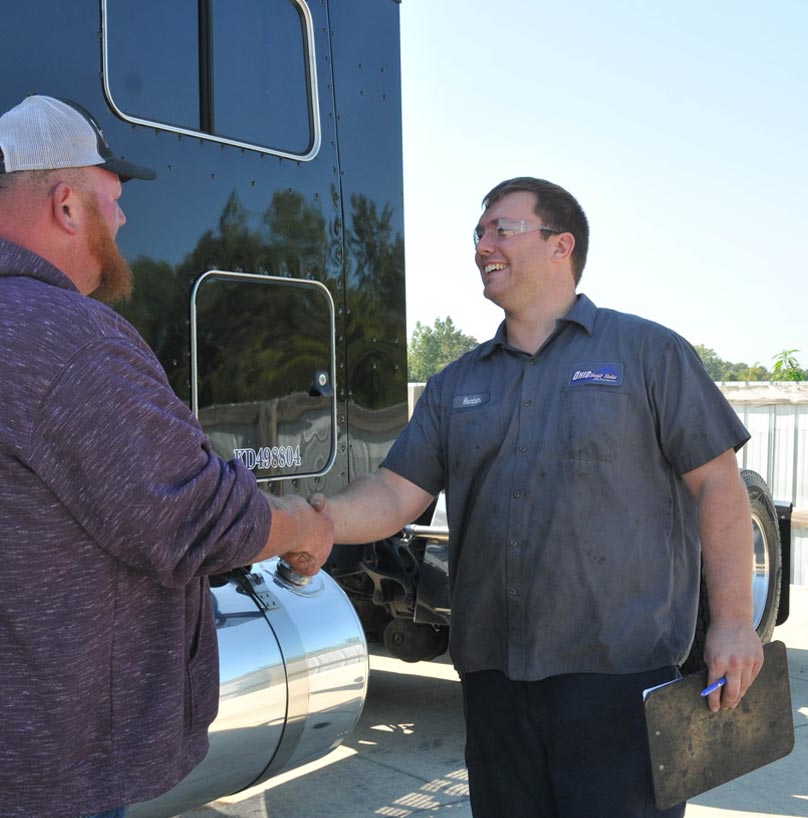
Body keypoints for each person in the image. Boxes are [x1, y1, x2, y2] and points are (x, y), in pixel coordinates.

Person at [0, 94, 333, 818]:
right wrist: (300, 525)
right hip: (41, 773)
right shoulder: (66, 335)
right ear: (68, 206)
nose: (125, 220)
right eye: (114, 198)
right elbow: (195, 517)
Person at [312, 177, 762, 817]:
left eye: (503, 228)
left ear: (561, 245)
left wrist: (734, 622)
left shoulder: (647, 352)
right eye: (479, 232)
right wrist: (312, 522)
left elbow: (718, 484)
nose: (482, 245)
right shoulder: (456, 383)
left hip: (621, 681)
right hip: (495, 680)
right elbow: (394, 493)